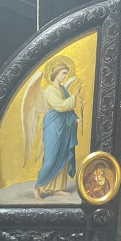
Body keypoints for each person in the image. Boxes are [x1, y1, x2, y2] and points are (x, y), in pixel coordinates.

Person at [33, 63, 82, 200]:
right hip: (53, 125)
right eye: (63, 73)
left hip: (64, 125)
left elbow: (68, 110)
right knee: (51, 157)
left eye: (66, 73)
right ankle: (37, 187)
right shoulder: (50, 90)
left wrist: (75, 118)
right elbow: (61, 106)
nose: (65, 76)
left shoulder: (63, 89)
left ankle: (57, 188)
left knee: (63, 155)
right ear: (56, 73)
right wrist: (74, 96)